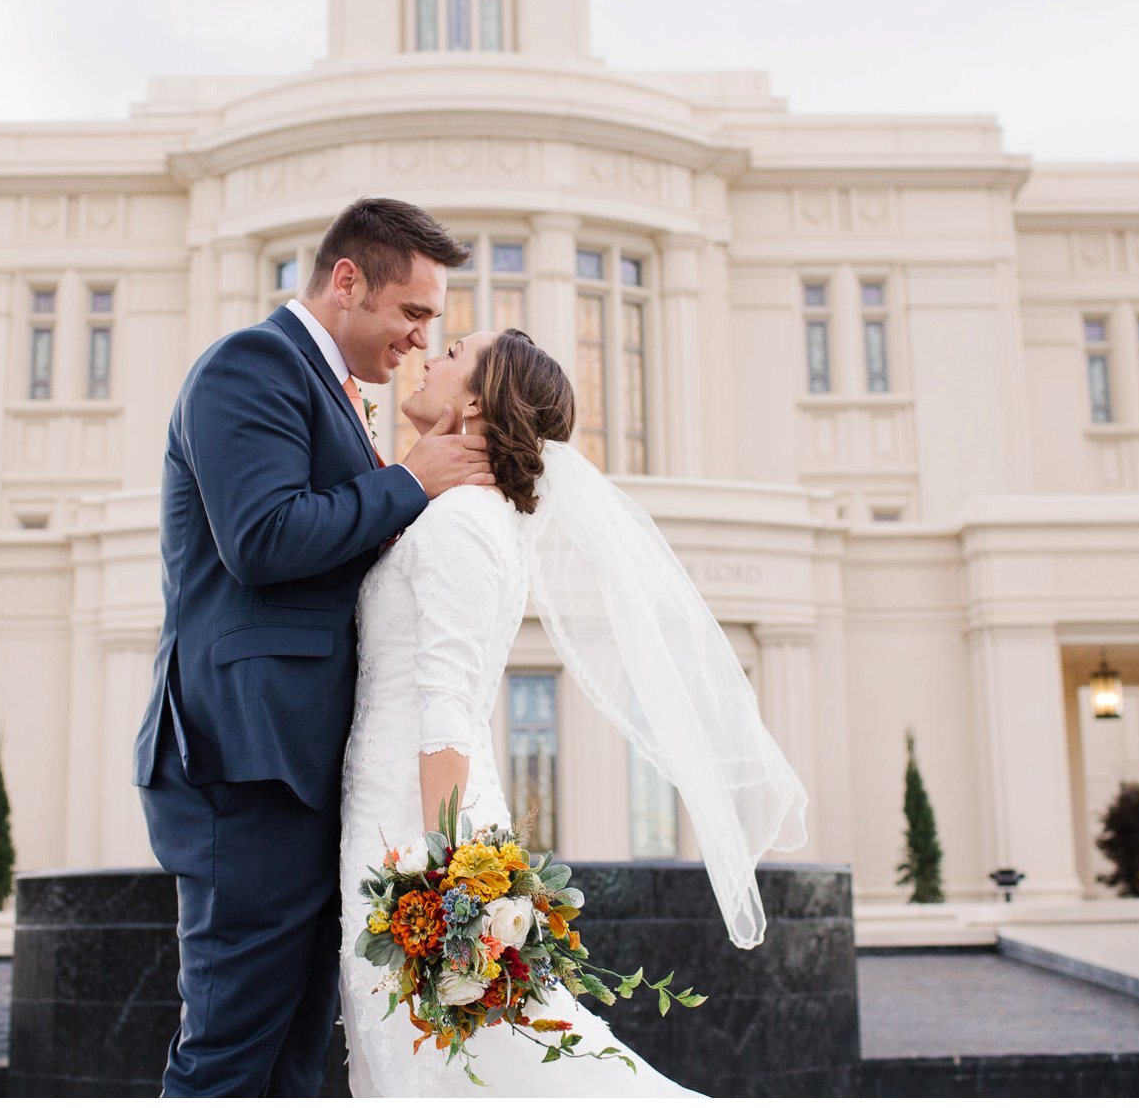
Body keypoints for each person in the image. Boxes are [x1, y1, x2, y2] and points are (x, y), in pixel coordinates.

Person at [337, 328, 810, 1096]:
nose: (429, 357)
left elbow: (448, 711)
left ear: (478, 404)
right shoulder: (450, 512)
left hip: (418, 835)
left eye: (452, 352)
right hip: (391, 821)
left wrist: (447, 891)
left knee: (466, 1066)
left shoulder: (463, 524)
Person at [132, 197, 492, 1096]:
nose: (418, 338)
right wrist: (408, 482)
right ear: (346, 281)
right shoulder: (252, 365)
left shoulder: (340, 395)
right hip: (247, 764)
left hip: (303, 772)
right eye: (412, 312)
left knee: (291, 1056)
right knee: (229, 1051)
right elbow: (261, 536)